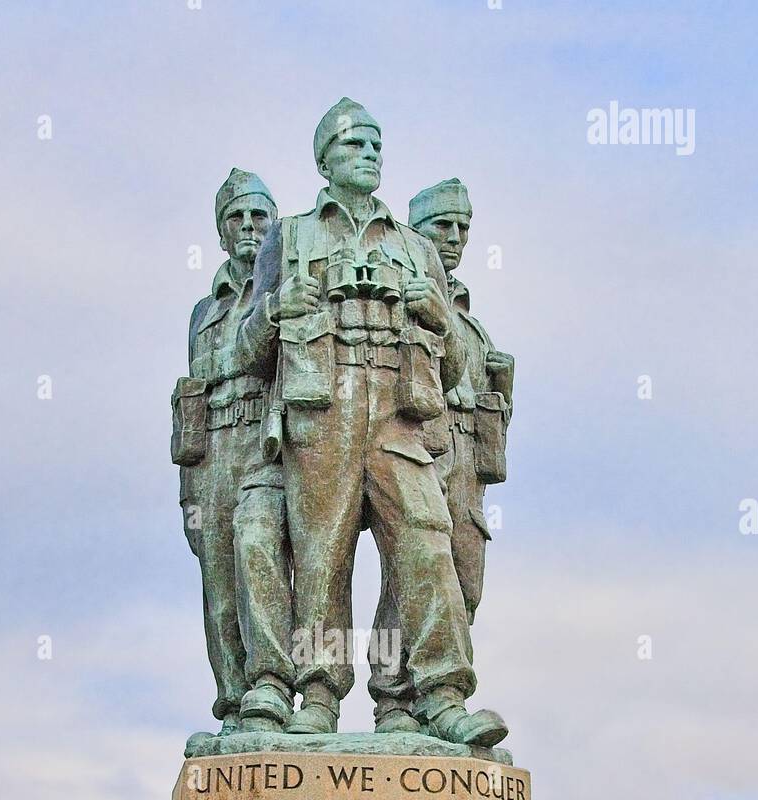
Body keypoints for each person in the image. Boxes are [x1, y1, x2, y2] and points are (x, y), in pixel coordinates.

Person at [238, 100, 506, 746]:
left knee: (427, 543)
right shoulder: (292, 235)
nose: (370, 154)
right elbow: (245, 353)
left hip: (398, 413)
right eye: (355, 144)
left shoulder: (414, 248)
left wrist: (437, 313)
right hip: (321, 410)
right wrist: (276, 309)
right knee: (320, 556)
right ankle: (319, 695)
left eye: (376, 145)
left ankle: (440, 695)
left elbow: (459, 367)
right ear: (325, 158)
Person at [369, 178, 514, 732]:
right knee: (409, 574)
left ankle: (434, 706)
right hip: (417, 448)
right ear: (416, 235)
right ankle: (396, 700)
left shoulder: (472, 323)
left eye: (462, 228)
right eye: (441, 227)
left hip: (468, 470)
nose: (453, 238)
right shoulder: (400, 297)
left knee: (464, 585)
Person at [172, 170, 294, 733]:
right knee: (218, 588)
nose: (248, 227)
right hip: (210, 453)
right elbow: (191, 394)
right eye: (236, 218)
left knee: (257, 552)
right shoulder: (204, 311)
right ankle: (233, 707)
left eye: (258, 216)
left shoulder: (285, 284)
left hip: (265, 444)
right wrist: (189, 485)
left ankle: (273, 689)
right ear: (221, 232)